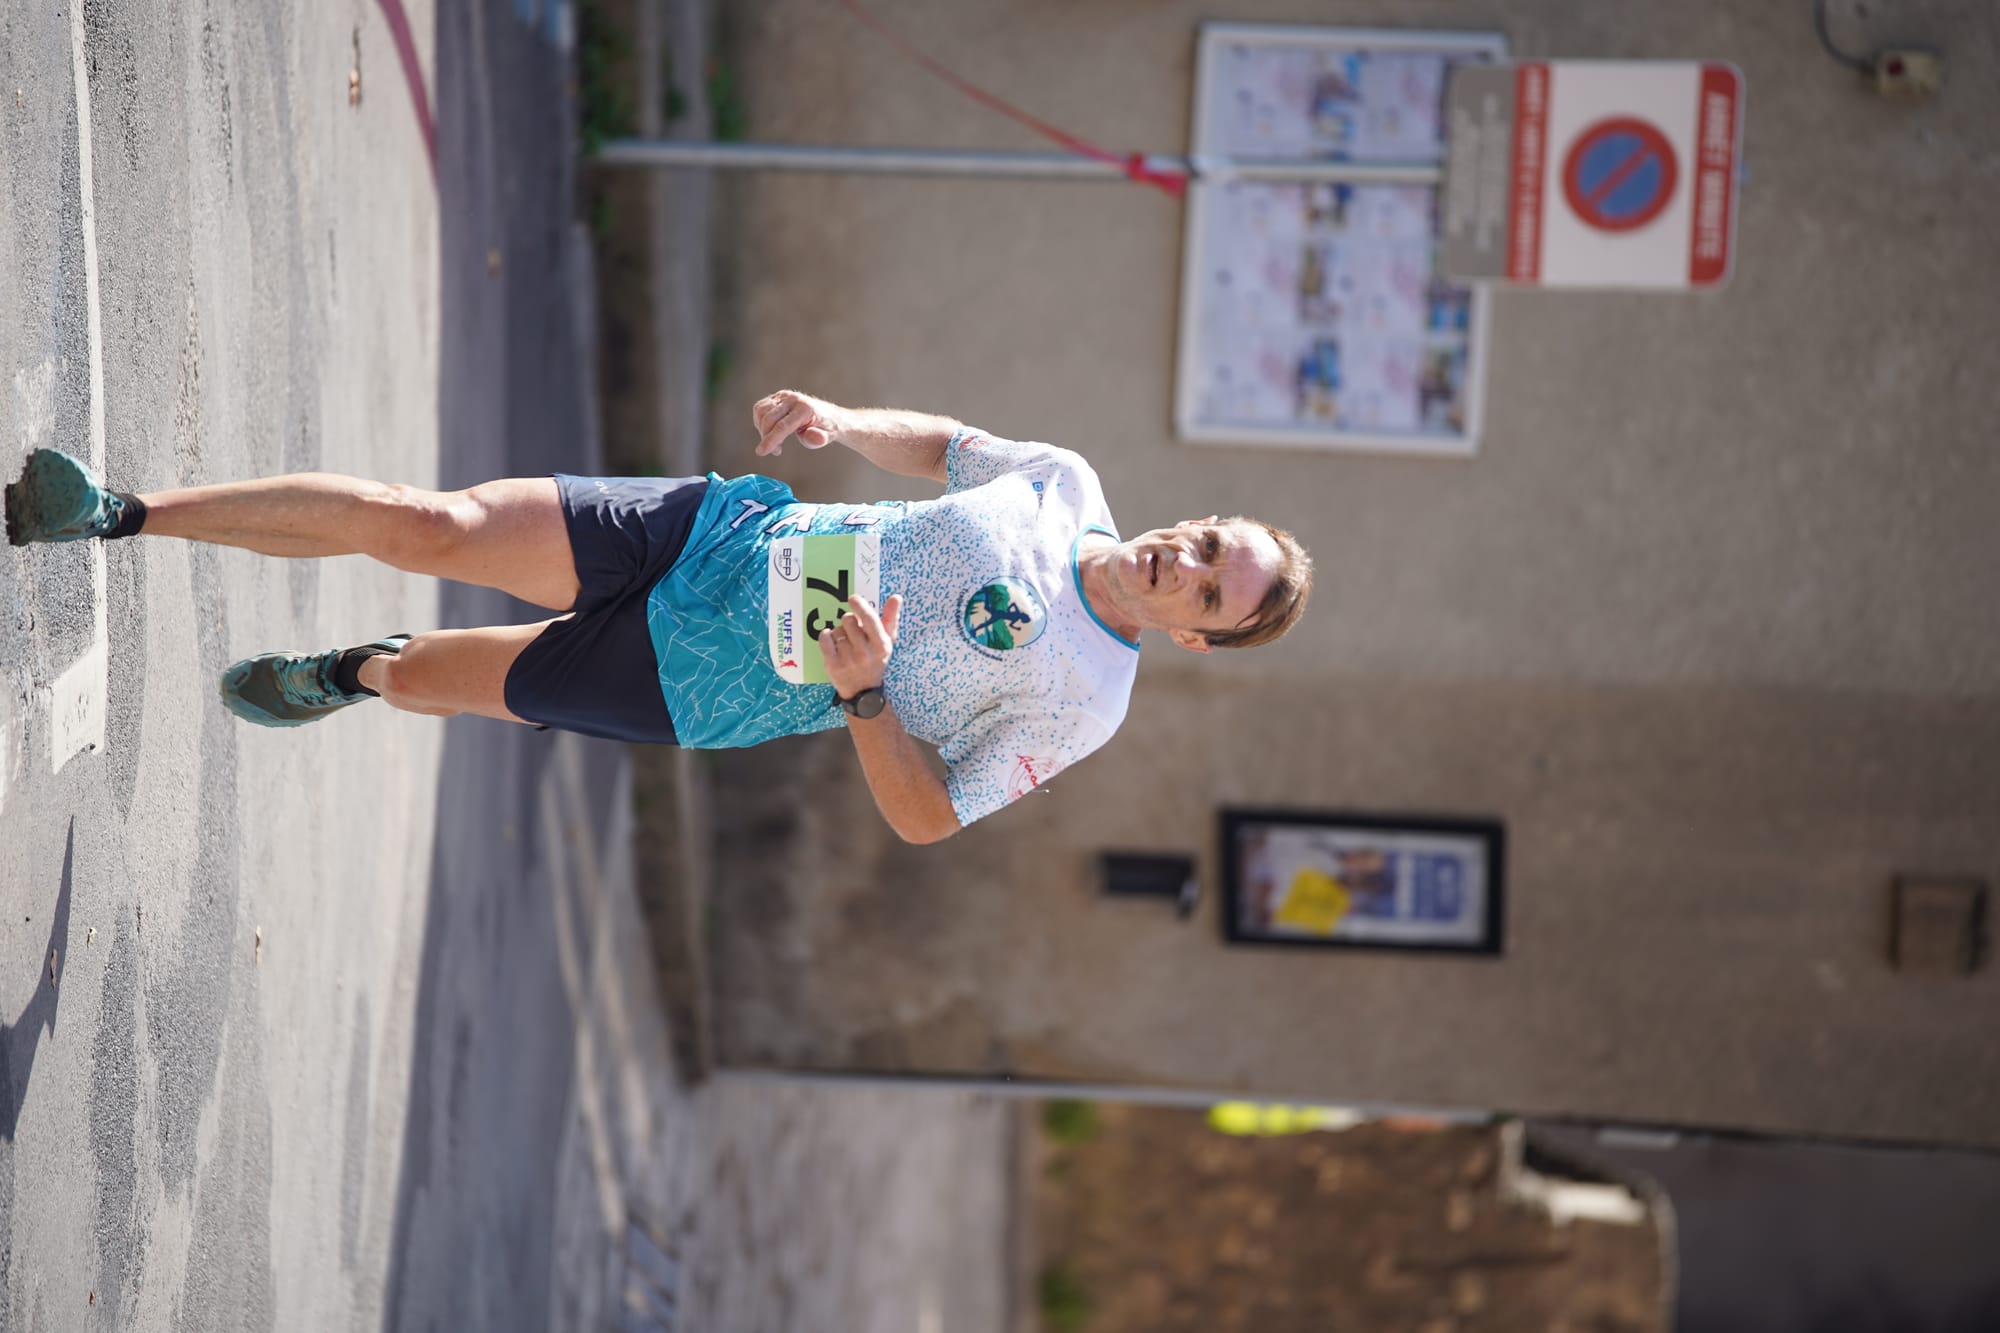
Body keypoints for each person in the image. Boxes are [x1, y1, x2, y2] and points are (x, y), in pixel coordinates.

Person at [5, 390, 1311, 841]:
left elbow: (926, 817)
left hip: (713, 681)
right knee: (433, 522)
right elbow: (948, 446)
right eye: (1204, 540)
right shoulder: (1064, 484)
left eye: (1207, 589)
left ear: (1194, 632)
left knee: (429, 677)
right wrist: (844, 423)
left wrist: (862, 694)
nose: (1179, 562)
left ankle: (352, 671)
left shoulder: (1087, 698)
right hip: (721, 531)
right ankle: (117, 512)